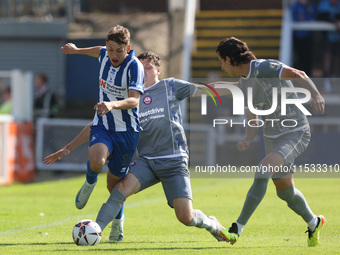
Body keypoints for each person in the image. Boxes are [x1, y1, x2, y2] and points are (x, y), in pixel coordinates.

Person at [44, 50, 232, 242]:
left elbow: (205, 89)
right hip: (147, 161)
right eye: (140, 69)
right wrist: (68, 147)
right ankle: (95, 230)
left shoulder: (170, 86)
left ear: (158, 70)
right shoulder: (128, 99)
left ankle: (211, 224)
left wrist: (238, 86)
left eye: (148, 68)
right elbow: (96, 125)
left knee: (186, 217)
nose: (144, 72)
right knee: (120, 189)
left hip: (174, 161)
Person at [215, 37, 326, 247]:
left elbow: (298, 73)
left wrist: (316, 94)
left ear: (229, 59)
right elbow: (253, 117)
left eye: (221, 61)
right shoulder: (243, 83)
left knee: (262, 169)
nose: (221, 66)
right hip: (272, 138)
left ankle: (236, 229)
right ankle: (314, 222)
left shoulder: (264, 67)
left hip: (295, 132)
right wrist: (247, 139)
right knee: (285, 191)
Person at [60, 25, 144, 241]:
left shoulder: (134, 66)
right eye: (111, 49)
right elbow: (98, 50)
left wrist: (112, 104)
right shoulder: (104, 54)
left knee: (114, 186)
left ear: (128, 48)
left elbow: (134, 100)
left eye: (119, 50)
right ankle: (89, 182)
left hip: (127, 132)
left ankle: (118, 221)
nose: (114, 55)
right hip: (103, 124)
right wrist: (76, 50)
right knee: (97, 162)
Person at [290, 0, 317, 76]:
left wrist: (305, 18)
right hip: (298, 37)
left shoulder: (311, 5)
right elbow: (295, 19)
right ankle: (299, 78)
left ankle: (308, 76)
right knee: (300, 58)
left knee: (308, 58)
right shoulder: (295, 6)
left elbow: (313, 17)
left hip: (308, 36)